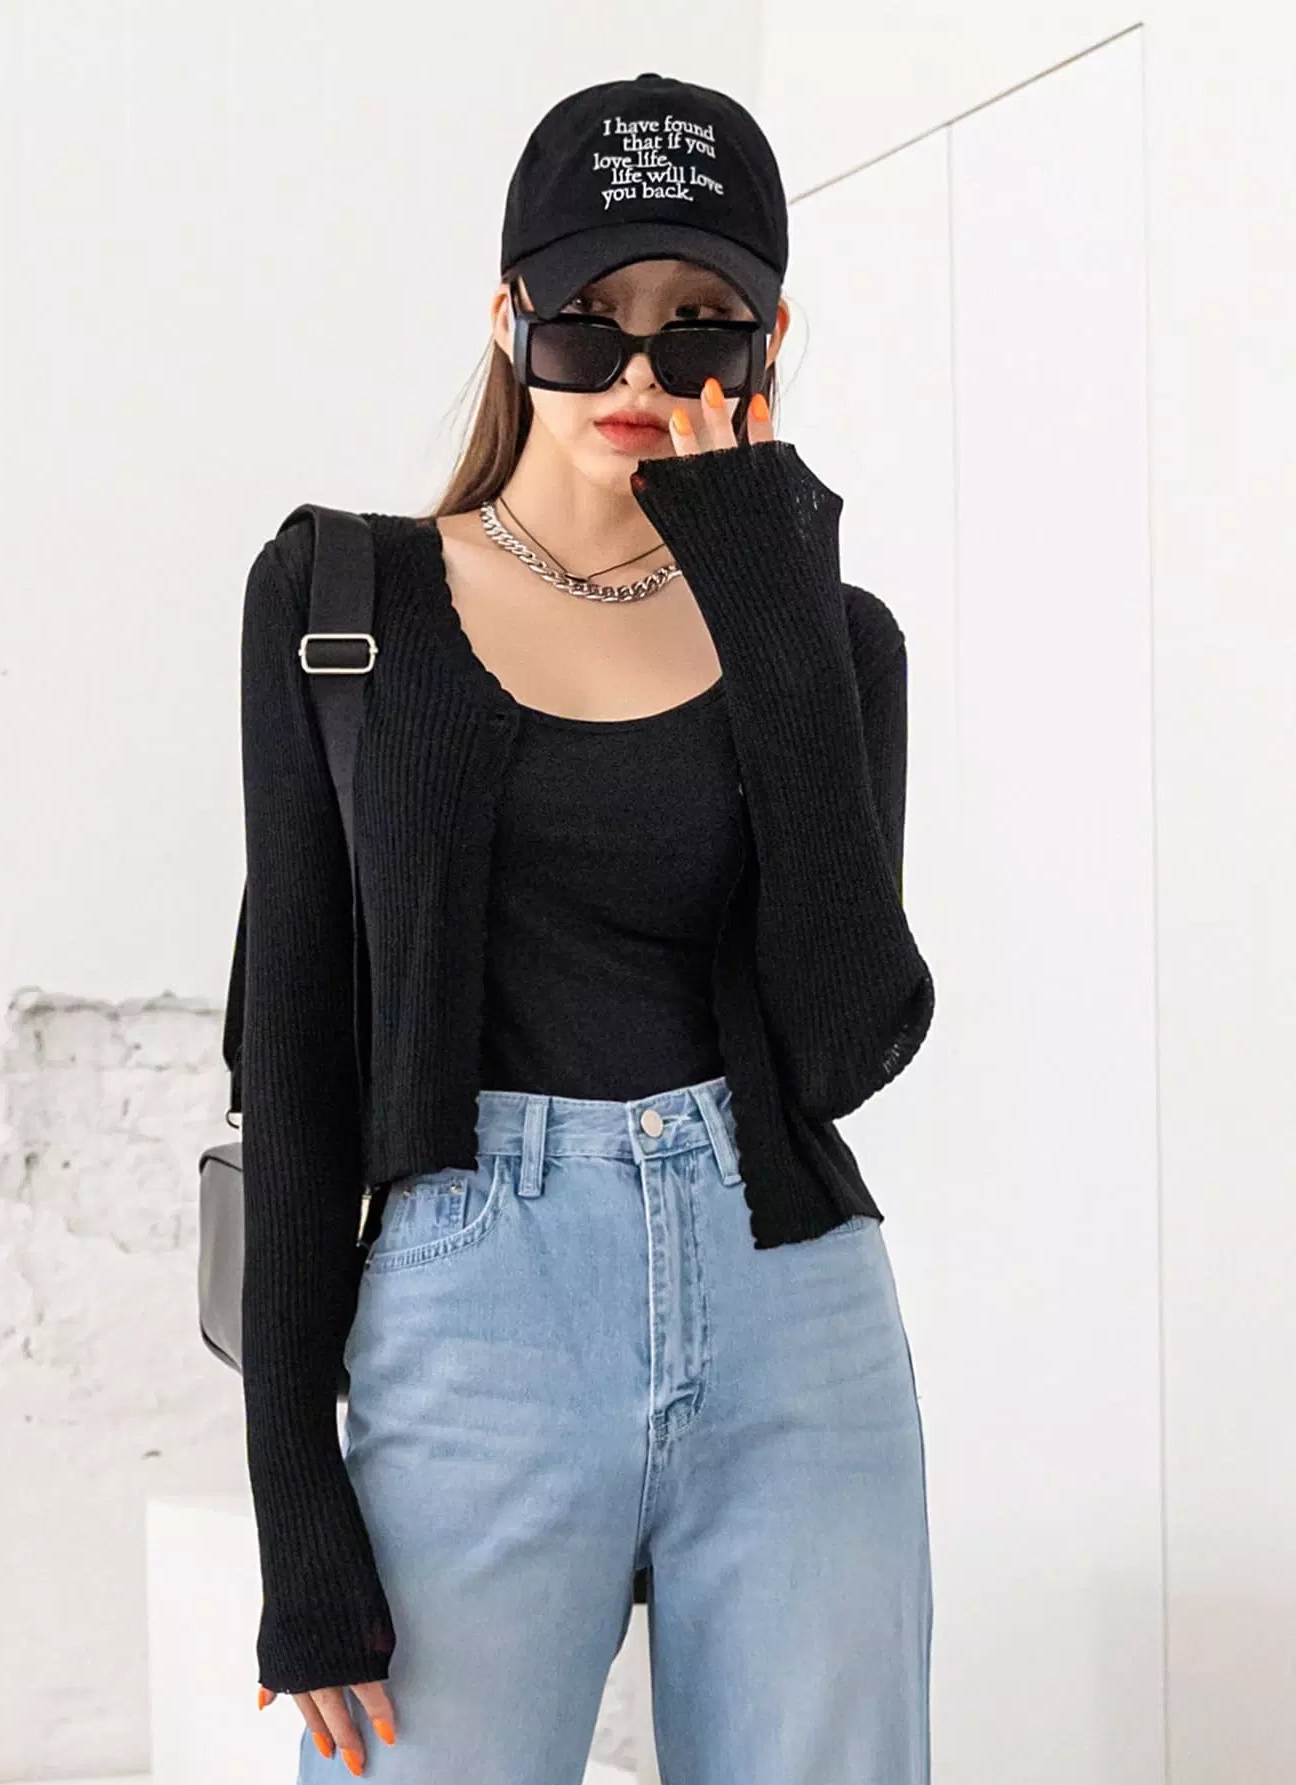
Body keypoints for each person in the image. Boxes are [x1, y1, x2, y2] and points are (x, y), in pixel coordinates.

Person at [240, 70, 935, 1783]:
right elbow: (298, 1069)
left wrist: (766, 583)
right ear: (508, 323)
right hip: (475, 1315)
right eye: (587, 320)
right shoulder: (340, 604)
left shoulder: (835, 639)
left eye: (700, 325)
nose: (638, 373)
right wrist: (297, 1511)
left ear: (771, 343)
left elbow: (851, 1038)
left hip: (795, 1321)